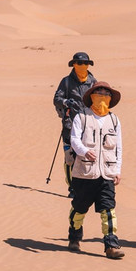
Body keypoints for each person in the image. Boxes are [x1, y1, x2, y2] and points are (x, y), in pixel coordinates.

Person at [66, 81, 125, 259]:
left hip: (106, 173)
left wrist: (117, 170)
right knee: (79, 208)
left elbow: (118, 148)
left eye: (106, 93)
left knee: (108, 209)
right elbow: (74, 139)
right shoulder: (82, 117)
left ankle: (111, 245)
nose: (102, 95)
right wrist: (84, 151)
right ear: (92, 95)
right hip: (85, 173)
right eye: (98, 91)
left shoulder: (114, 120)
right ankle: (75, 236)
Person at [52, 52, 98, 197]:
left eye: (85, 63)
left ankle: (84, 187)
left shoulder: (93, 82)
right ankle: (72, 188)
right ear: (73, 65)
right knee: (70, 158)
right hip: (69, 125)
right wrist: (66, 102)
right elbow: (57, 98)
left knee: (85, 157)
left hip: (88, 126)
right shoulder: (66, 82)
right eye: (79, 63)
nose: (82, 66)